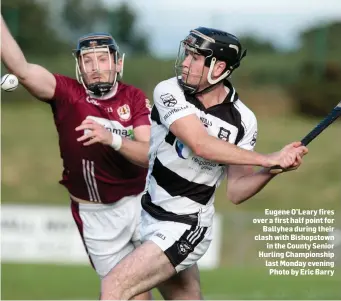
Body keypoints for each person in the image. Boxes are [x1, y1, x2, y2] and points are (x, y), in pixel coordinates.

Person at [99, 27, 309, 300]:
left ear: (219, 67)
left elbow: (236, 191)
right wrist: (268, 158)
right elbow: (200, 144)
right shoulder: (169, 90)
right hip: (150, 215)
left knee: (116, 285)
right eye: (187, 54)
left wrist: (274, 169)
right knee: (186, 297)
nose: (185, 62)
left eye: (195, 57)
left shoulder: (244, 120)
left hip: (187, 225)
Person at [1, 15, 152, 300]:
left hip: (143, 204)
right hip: (98, 216)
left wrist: (113, 139)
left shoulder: (133, 97)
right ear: (79, 66)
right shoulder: (68, 94)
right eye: (88, 61)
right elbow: (21, 69)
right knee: (128, 296)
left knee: (181, 288)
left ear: (118, 63)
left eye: (103, 59)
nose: (95, 68)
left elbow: (147, 154)